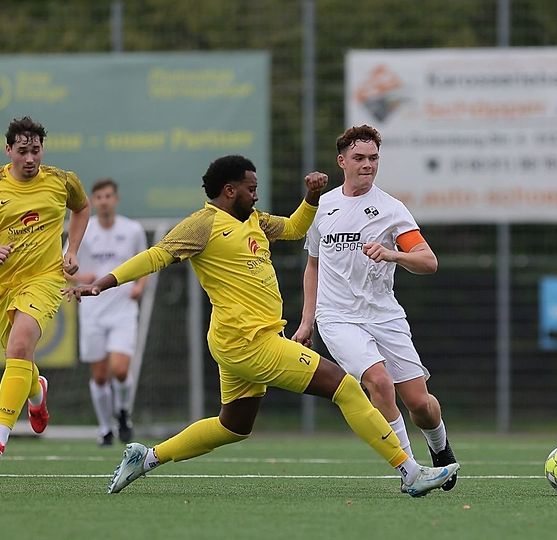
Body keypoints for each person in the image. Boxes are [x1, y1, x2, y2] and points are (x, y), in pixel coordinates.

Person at [62, 155, 458, 497]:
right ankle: (409, 472)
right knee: (347, 388)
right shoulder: (202, 224)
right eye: (252, 188)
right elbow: (154, 256)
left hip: (239, 342)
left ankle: (144, 458)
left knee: (233, 426)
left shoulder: (253, 220)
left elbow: (295, 228)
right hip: (250, 343)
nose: (257, 193)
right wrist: (103, 282)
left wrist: (311, 199)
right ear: (230, 190)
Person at [291, 124, 458, 491]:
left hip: (384, 315)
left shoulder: (390, 209)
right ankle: (411, 470)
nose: (368, 165)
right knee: (378, 382)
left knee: (420, 404)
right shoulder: (323, 207)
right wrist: (307, 322)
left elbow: (428, 262)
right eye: (359, 158)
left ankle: (440, 448)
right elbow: (314, 265)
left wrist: (392, 254)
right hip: (337, 318)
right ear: (342, 161)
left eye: (373, 158)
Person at [0, 116, 90, 461]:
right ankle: (36, 392)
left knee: (19, 346)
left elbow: (82, 207)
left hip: (45, 279)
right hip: (1, 284)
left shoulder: (62, 181)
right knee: (19, 358)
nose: (30, 159)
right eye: (23, 151)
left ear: (42, 149)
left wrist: (71, 249)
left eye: (36, 150)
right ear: (8, 150)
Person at [66, 178, 148, 446]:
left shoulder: (132, 229)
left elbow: (146, 263)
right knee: (100, 375)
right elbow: (63, 266)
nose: (104, 201)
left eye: (108, 196)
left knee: (120, 369)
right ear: (92, 200)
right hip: (92, 311)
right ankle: (105, 428)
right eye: (98, 197)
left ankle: (124, 413)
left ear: (116, 199)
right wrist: (79, 278)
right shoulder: (82, 231)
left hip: (123, 309)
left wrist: (139, 287)